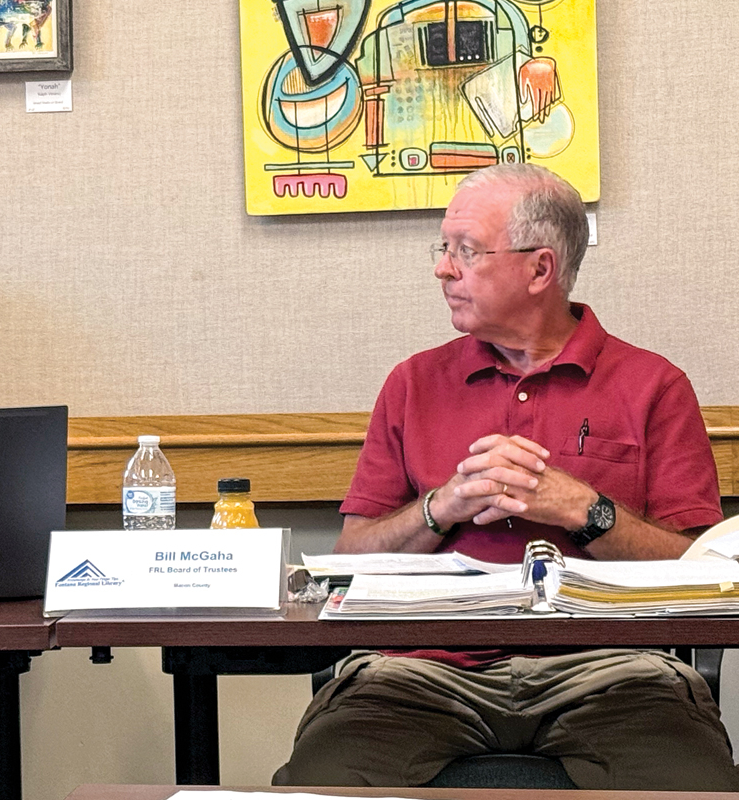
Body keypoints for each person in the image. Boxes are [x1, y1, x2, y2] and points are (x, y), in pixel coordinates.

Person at [273, 163, 739, 790]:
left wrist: (584, 511)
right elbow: (349, 558)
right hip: (420, 675)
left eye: (466, 251)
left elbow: (701, 578)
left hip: (614, 673)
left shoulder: (654, 386)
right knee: (320, 785)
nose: (443, 268)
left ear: (540, 269)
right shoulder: (412, 383)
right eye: (444, 249)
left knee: (693, 788)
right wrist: (443, 506)